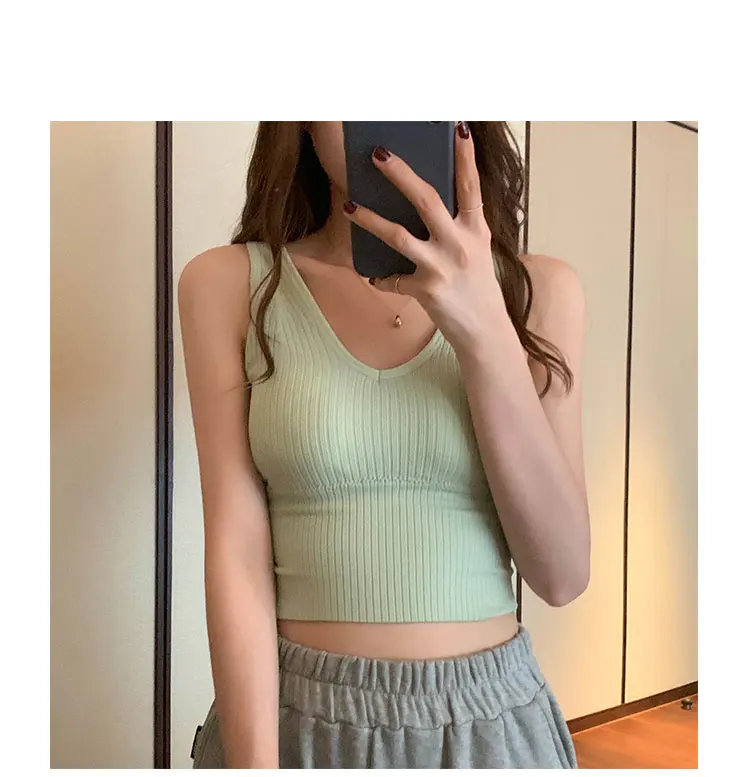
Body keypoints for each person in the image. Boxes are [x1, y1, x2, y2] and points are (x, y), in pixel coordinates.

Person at [180, 121, 589, 769]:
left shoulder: (539, 291)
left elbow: (561, 575)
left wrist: (484, 326)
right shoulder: (232, 283)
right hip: (292, 719)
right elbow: (235, 550)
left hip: (489, 728)